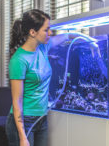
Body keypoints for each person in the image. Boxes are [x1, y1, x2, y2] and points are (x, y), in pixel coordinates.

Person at [5, 9, 99, 146]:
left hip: (41, 118)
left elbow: (69, 35)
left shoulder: (44, 48)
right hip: (23, 121)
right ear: (32, 32)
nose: (50, 33)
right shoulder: (19, 60)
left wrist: (91, 41)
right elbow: (17, 101)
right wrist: (22, 136)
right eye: (46, 30)